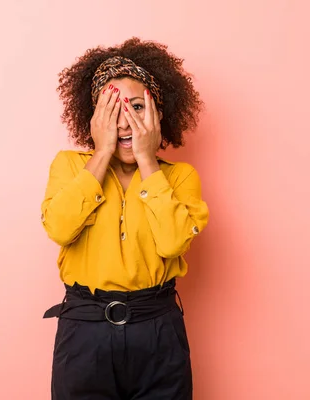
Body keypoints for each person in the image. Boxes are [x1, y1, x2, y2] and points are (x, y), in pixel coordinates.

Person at [41, 37, 209, 400]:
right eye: (112, 110)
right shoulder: (69, 166)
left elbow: (173, 243)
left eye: (136, 107)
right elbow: (59, 227)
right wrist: (101, 153)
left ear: (159, 115)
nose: (125, 122)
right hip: (85, 329)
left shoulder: (179, 177)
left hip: (158, 328)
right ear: (94, 119)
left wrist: (148, 161)